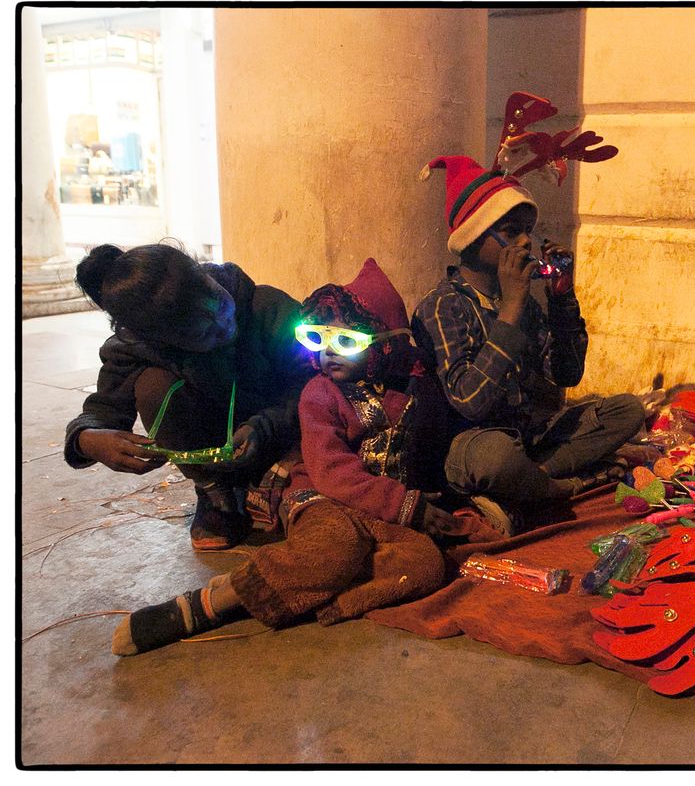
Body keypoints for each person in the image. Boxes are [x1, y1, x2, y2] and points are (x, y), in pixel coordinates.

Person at [111, 258, 450, 656]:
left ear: (386, 341)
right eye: (315, 338)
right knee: (337, 545)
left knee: (426, 563)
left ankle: (311, 594)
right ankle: (210, 606)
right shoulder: (320, 394)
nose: (326, 353)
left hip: (378, 502)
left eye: (345, 341)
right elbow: (331, 471)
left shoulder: (407, 388)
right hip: (325, 494)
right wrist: (405, 505)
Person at [412, 156, 645, 536]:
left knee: (627, 410)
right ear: (473, 237)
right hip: (471, 447)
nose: (525, 241)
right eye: (511, 230)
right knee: (497, 459)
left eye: (528, 231)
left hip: (529, 438)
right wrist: (512, 308)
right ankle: (559, 487)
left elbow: (566, 374)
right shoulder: (443, 305)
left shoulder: (525, 302)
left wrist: (561, 300)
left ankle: (525, 484)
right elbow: (471, 403)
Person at [64, 241, 314, 550]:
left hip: (281, 432)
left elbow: (311, 383)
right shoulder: (137, 347)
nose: (223, 325)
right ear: (159, 341)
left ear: (205, 274)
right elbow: (103, 409)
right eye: (201, 333)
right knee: (154, 386)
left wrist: (266, 426)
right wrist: (86, 438)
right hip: (214, 444)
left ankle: (265, 481)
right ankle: (214, 490)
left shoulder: (266, 307)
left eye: (219, 302)